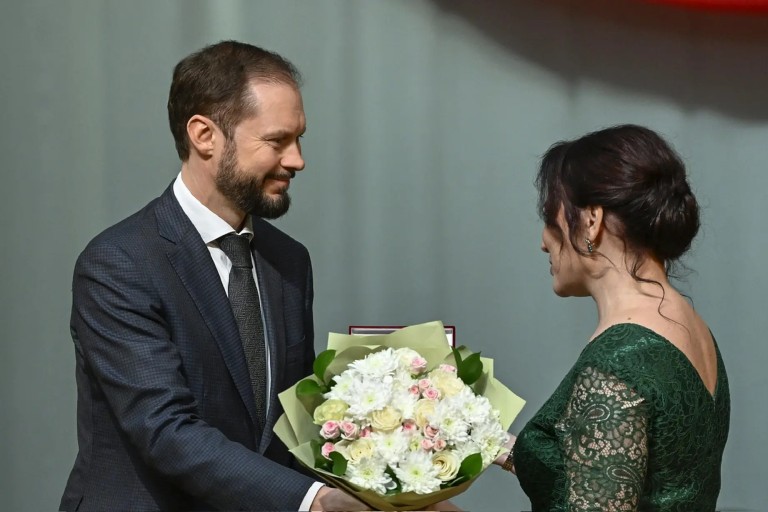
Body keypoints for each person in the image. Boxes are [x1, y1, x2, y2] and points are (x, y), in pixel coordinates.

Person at [59, 40, 366, 512]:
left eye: (300, 138)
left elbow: (292, 423)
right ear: (204, 135)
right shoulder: (119, 263)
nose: (297, 159)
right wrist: (315, 503)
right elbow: (165, 431)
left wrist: (405, 462)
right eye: (276, 140)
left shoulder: (288, 260)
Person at [490, 124, 730, 511]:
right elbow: (613, 470)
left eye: (551, 219)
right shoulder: (692, 328)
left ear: (590, 221)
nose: (543, 240)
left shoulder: (619, 359)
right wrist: (487, 441)